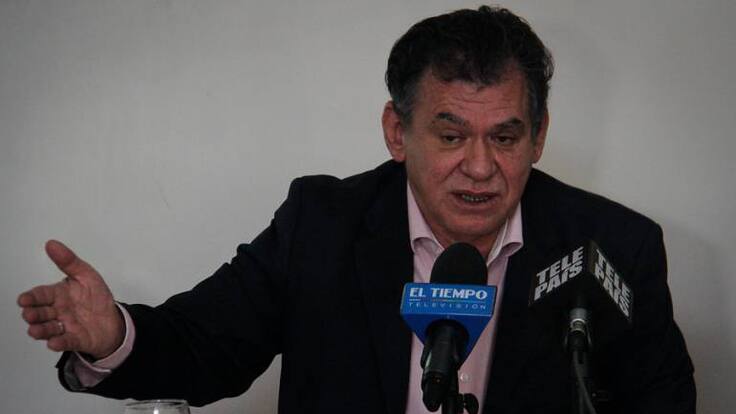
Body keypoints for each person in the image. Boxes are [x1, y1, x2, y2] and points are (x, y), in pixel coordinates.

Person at [18, 6, 695, 414]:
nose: (481, 167)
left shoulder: (614, 248)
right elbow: (205, 347)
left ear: (538, 137)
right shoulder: (322, 225)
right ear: (397, 132)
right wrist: (112, 335)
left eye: (506, 138)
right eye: (451, 136)